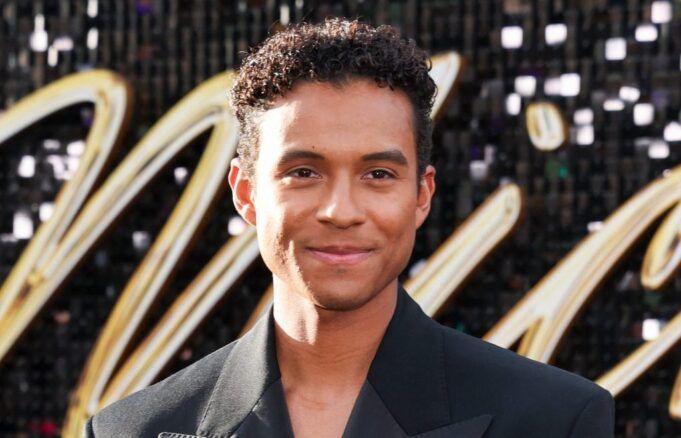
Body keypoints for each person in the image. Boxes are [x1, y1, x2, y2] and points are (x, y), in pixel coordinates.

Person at [86, 18, 614, 438]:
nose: (341, 211)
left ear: (422, 195)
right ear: (246, 193)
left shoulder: (556, 419)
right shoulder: (130, 432)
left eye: (378, 174)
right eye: (303, 172)